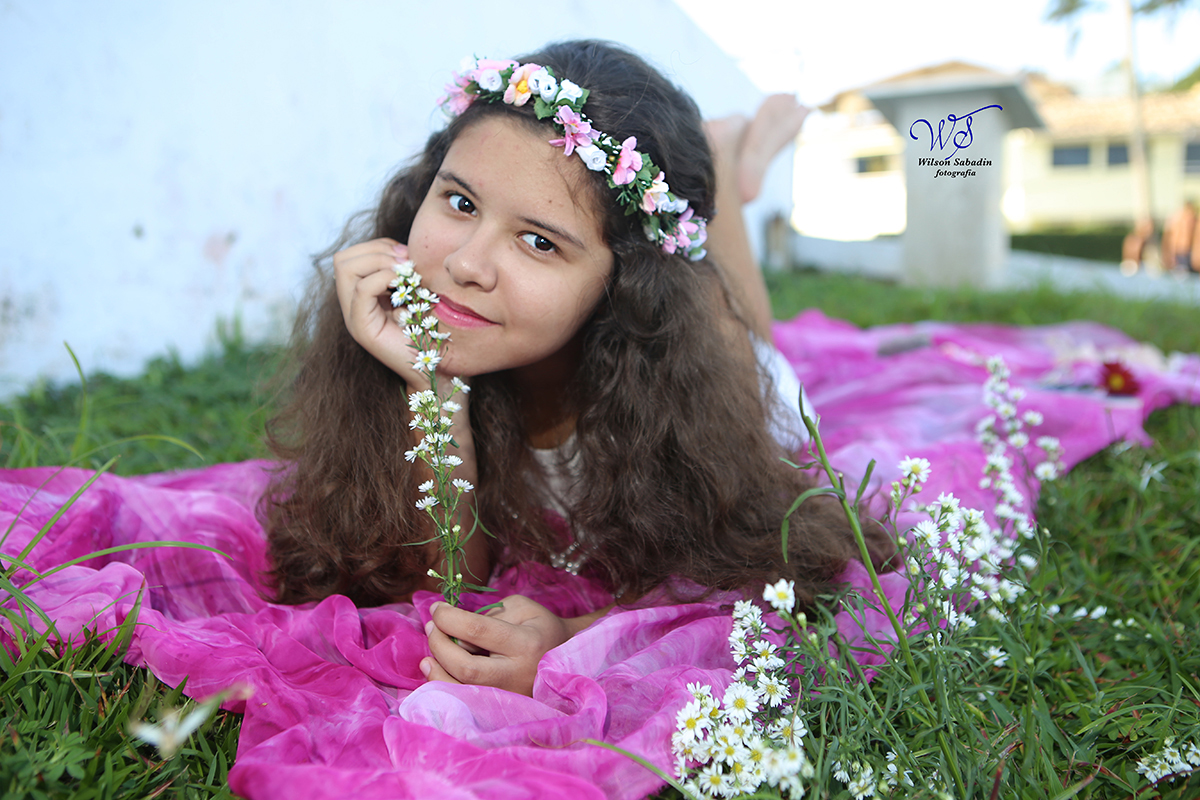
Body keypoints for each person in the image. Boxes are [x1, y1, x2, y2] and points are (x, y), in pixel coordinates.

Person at [262, 40, 892, 696]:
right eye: (460, 203)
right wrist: (433, 391)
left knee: (743, 329)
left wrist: (574, 637)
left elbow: (758, 587)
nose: (466, 265)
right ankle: (717, 151)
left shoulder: (677, 402)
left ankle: (726, 156)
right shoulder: (421, 330)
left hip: (722, 373)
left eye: (538, 241)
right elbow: (445, 584)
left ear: (624, 287)